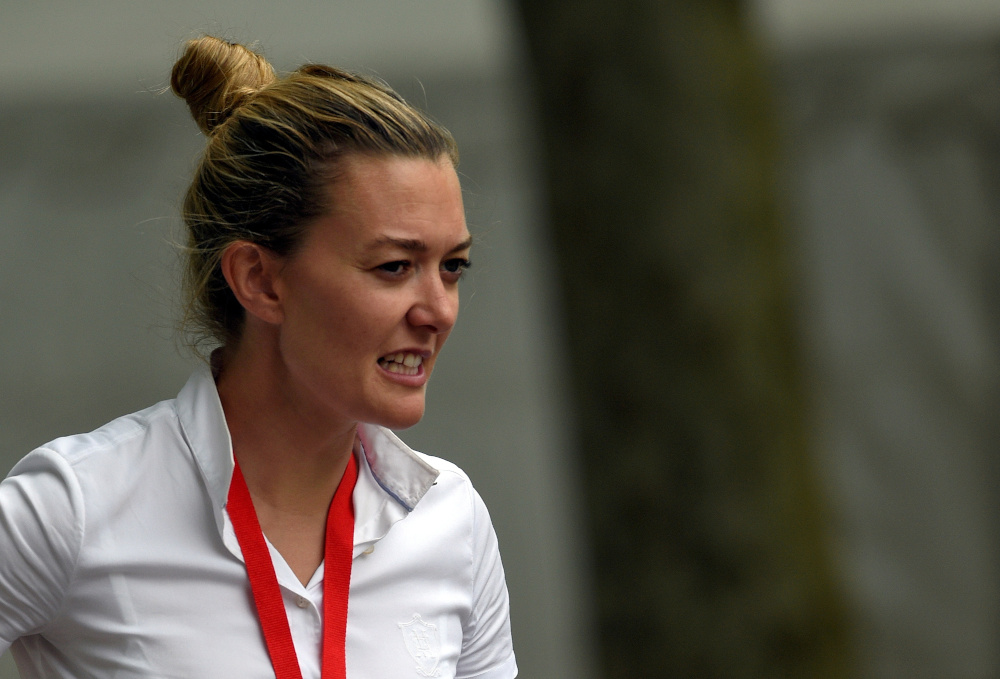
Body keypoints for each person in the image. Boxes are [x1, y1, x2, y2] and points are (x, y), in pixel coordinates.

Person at [0, 36, 517, 679]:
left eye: (453, 267)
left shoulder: (449, 519)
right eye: (394, 267)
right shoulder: (75, 507)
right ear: (261, 281)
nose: (437, 310)